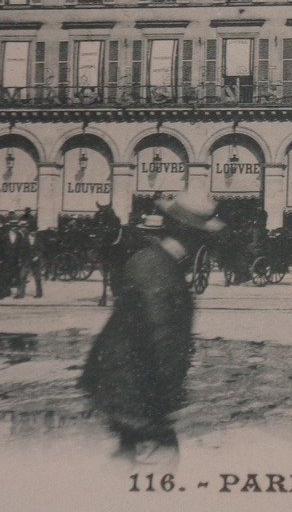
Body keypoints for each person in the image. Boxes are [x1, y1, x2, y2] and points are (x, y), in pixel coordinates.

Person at [80, 188, 223, 463]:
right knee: (159, 468)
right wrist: (167, 400)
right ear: (193, 234)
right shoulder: (164, 274)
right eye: (203, 233)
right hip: (140, 398)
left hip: (121, 390)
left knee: (129, 466)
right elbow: (163, 342)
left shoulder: (147, 260)